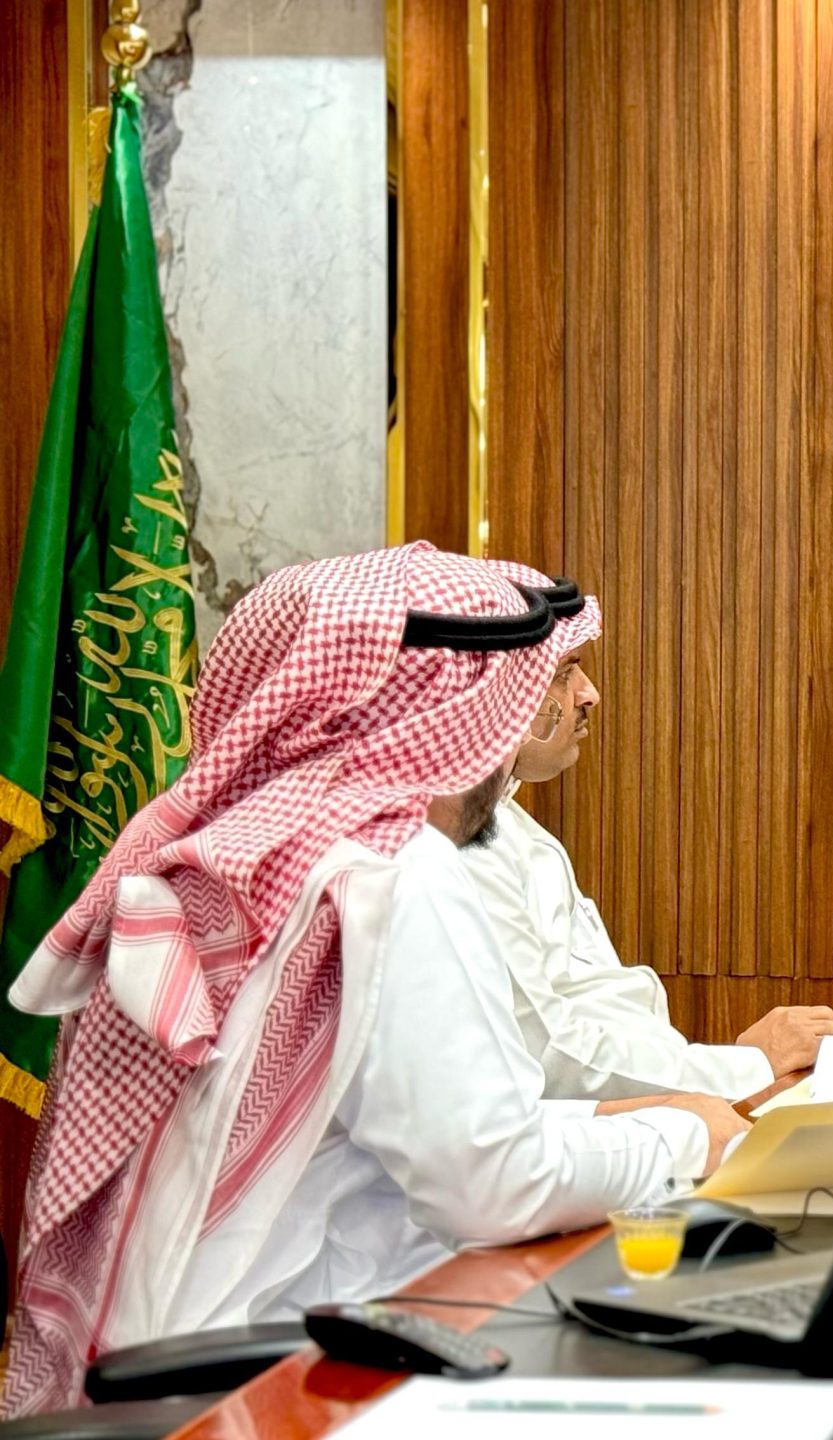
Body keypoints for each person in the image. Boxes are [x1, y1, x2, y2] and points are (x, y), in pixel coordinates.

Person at [2, 546, 746, 1417]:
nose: (507, 737)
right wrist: (687, 1142)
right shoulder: (393, 872)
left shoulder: (247, 849)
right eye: (504, 700)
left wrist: (653, 1115)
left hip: (181, 1352)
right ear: (453, 712)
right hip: (280, 1388)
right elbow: (491, 1184)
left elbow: (415, 1125)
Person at [456, 567, 833, 1102]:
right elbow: (548, 1055)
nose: (589, 694)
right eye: (565, 672)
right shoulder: (463, 841)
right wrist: (746, 1067)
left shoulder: (507, 820)